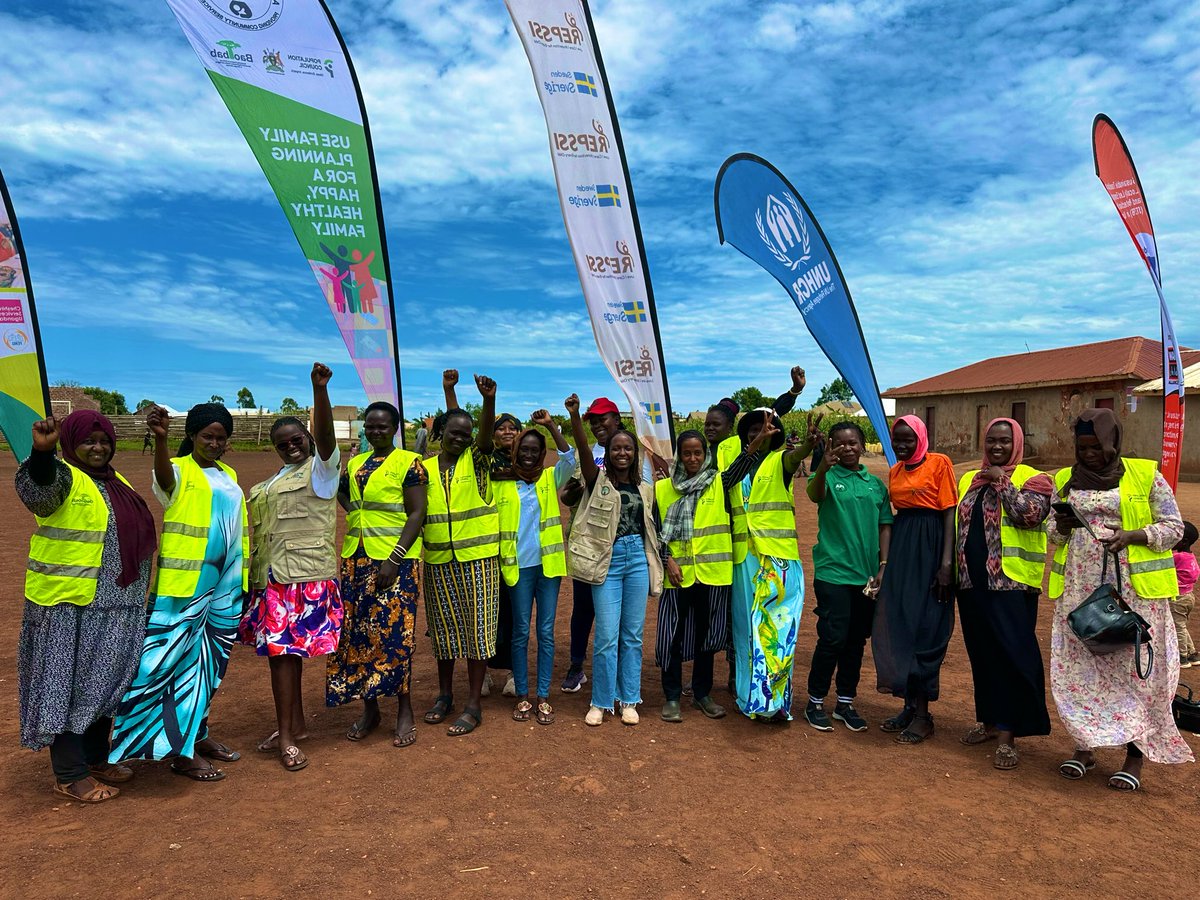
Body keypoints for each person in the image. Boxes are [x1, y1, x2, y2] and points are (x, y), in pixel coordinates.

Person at [16, 412, 157, 803]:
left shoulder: (117, 481)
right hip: (69, 605)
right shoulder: (63, 476)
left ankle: (96, 757)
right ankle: (69, 773)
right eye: (89, 441)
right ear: (70, 443)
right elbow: (38, 492)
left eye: (104, 441)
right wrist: (42, 455)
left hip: (118, 606)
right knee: (69, 686)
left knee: (106, 683)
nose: (98, 448)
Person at [1050, 408, 1192, 790]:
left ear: (1112, 442)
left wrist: (1133, 535)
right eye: (1082, 447)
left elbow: (1174, 527)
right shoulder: (1065, 479)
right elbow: (1052, 532)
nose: (1089, 454)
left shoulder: (1146, 475)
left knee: (1135, 672)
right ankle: (1085, 747)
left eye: (1096, 446)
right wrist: (1060, 526)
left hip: (1133, 591)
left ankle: (1134, 756)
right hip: (1080, 589)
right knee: (1082, 670)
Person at [109, 403, 248, 781]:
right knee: (167, 662)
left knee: (207, 664)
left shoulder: (229, 473)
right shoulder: (177, 469)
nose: (214, 443)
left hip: (224, 588)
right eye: (207, 436)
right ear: (192, 436)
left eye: (221, 438)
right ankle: (176, 750)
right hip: (183, 589)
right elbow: (164, 482)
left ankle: (196, 734)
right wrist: (160, 441)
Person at [237, 363, 342, 772]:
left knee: (281, 656)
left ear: (308, 438)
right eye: (283, 444)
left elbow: (329, 442)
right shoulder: (268, 483)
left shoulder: (322, 472)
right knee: (285, 656)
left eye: (297, 439)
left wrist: (319, 390)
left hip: (303, 578)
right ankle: (295, 726)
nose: (291, 447)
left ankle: (285, 737)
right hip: (272, 580)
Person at [327, 399, 428, 748]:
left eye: (382, 426)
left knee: (395, 636)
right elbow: (346, 498)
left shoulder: (410, 464)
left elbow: (417, 514)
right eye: (369, 426)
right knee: (358, 634)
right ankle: (370, 708)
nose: (375, 431)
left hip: (394, 564)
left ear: (394, 428)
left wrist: (394, 558)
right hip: (356, 559)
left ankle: (404, 708)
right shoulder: (355, 463)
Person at [953, 418, 1053, 769]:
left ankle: (1010, 734)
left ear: (1017, 443)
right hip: (971, 582)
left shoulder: (1034, 478)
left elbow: (1030, 516)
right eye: (992, 441)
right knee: (983, 653)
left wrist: (1002, 482)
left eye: (1004, 441)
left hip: (1012, 584)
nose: (997, 447)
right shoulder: (968, 478)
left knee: (1013, 655)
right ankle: (989, 721)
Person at [565, 394, 663, 725]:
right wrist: (576, 417)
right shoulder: (598, 482)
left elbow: (652, 530)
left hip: (636, 558)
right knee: (607, 632)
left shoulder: (644, 489)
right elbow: (581, 450)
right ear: (608, 453)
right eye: (616, 448)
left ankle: (629, 699)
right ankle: (601, 701)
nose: (622, 452)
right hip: (606, 560)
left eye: (628, 448)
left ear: (634, 455)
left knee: (632, 633)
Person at [871, 415, 957, 744]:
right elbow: (894, 517)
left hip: (933, 546)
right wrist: (887, 563)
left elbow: (949, 510)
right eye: (897, 440)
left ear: (921, 437)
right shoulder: (894, 471)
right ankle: (908, 706)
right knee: (902, 623)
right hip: (905, 548)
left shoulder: (940, 463)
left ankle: (924, 716)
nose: (902, 445)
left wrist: (946, 563)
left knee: (927, 627)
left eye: (908, 439)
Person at [421, 374, 499, 736]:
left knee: (477, 632)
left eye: (466, 434)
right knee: (444, 633)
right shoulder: (422, 469)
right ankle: (444, 695)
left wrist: (488, 400)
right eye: (453, 432)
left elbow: (482, 436)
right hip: (437, 562)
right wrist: (449, 392)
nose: (461, 437)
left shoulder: (477, 461)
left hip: (478, 561)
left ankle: (473, 704)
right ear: (440, 433)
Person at [802, 422, 892, 733]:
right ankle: (814, 701)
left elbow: (885, 526)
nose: (848, 448)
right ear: (831, 447)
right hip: (833, 574)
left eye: (853, 442)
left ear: (862, 445)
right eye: (840, 444)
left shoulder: (875, 485)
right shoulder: (824, 478)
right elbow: (815, 493)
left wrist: (883, 566)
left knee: (856, 640)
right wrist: (824, 469)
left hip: (867, 578)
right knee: (833, 637)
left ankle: (845, 702)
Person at [727, 408, 815, 721]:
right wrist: (750, 450)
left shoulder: (781, 462)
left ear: (777, 435)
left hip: (777, 561)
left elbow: (794, 459)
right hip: (744, 559)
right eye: (752, 430)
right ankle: (748, 698)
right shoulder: (736, 464)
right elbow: (725, 484)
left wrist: (807, 447)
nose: (758, 433)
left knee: (778, 629)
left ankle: (774, 702)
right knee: (746, 632)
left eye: (766, 429)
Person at [494, 411, 575, 725]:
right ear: (515, 451)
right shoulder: (502, 482)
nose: (528, 455)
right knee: (520, 632)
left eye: (534, 450)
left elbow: (569, 458)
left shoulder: (549, 477)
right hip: (518, 568)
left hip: (548, 567)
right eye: (523, 449)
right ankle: (522, 695)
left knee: (545, 632)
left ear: (542, 454)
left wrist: (552, 426)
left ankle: (543, 695)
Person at [444, 368, 519, 697]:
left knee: (513, 613)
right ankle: (485, 671)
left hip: (514, 549)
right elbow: (460, 426)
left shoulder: (528, 459)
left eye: (511, 427)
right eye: (500, 426)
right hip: (482, 548)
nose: (505, 431)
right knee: (483, 613)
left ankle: (516, 671)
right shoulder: (480, 458)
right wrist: (451, 393)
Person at [654, 430, 731, 723]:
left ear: (706, 454)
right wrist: (668, 561)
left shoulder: (718, 483)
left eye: (698, 453)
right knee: (670, 635)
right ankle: (671, 696)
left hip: (711, 575)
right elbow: (654, 530)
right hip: (678, 576)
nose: (693, 459)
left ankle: (702, 694)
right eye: (686, 453)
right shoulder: (663, 488)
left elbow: (743, 464)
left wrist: (760, 438)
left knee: (705, 637)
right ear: (679, 455)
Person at [703, 366, 808, 470]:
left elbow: (772, 412)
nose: (710, 428)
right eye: (707, 424)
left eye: (716, 424)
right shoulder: (699, 451)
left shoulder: (743, 443)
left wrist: (795, 391)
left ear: (730, 427)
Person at [1171, 522, 1198, 668]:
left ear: (1184, 541)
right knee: (1182, 625)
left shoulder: (1178, 557)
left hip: (1178, 598)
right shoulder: (1190, 556)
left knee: (1178, 626)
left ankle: (1182, 657)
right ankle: (1192, 653)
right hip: (1189, 596)